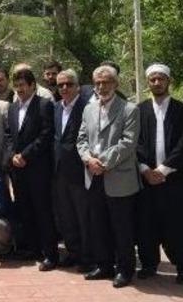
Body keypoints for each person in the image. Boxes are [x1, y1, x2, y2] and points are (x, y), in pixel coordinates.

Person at [76, 65, 140, 288]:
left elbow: (128, 143)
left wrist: (101, 162)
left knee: (121, 227)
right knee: (98, 224)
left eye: (106, 82)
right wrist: (88, 160)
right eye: (98, 83)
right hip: (93, 175)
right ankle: (104, 265)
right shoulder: (89, 109)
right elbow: (81, 139)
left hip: (118, 176)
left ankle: (125, 270)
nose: (102, 87)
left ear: (116, 84)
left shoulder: (129, 109)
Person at [135, 64, 183, 284]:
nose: (157, 83)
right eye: (153, 79)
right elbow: (135, 142)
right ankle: (149, 264)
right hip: (146, 179)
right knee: (146, 224)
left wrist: (163, 170)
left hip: (175, 178)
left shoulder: (182, 110)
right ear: (148, 83)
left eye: (161, 79)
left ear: (168, 81)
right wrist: (145, 170)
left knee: (177, 225)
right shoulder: (139, 110)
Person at [3, 67, 58, 270]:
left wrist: (25, 155)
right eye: (16, 86)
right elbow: (9, 135)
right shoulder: (12, 108)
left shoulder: (44, 105)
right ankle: (33, 249)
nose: (19, 89)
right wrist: (12, 156)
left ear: (32, 85)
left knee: (43, 211)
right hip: (18, 169)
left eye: (23, 85)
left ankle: (50, 254)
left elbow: (46, 135)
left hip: (38, 168)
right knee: (25, 210)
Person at [52, 69, 91, 272]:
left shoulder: (87, 108)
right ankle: (73, 252)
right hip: (59, 172)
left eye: (69, 84)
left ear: (78, 86)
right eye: (61, 85)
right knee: (66, 216)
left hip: (80, 171)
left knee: (83, 217)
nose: (64, 88)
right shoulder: (56, 108)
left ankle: (87, 257)